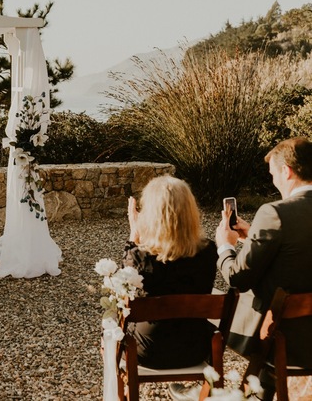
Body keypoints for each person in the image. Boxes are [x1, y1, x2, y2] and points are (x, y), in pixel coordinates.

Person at [214, 137, 312, 399]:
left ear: (286, 171)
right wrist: (251, 238)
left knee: (212, 303)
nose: (273, 182)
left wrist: (225, 247)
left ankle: (209, 385)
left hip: (285, 339)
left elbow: (239, 277)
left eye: (273, 175)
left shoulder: (275, 213)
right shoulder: (279, 218)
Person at [123, 175, 218, 369]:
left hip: (147, 351)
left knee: (109, 323)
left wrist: (133, 237)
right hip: (196, 348)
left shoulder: (139, 257)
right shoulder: (209, 251)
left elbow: (125, 293)